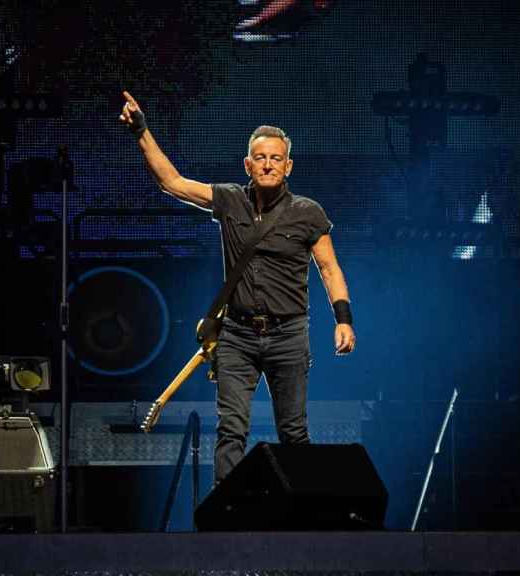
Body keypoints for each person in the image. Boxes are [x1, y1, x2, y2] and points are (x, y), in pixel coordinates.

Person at [119, 91, 355, 483]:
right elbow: (172, 182)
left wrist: (343, 320)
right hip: (238, 335)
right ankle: (226, 523)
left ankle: (306, 522)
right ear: (248, 164)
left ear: (288, 166)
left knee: (293, 432)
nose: (267, 164)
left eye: (276, 158)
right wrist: (141, 131)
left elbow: (329, 268)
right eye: (260, 157)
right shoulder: (230, 201)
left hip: (289, 335)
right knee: (231, 432)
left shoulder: (307, 212)